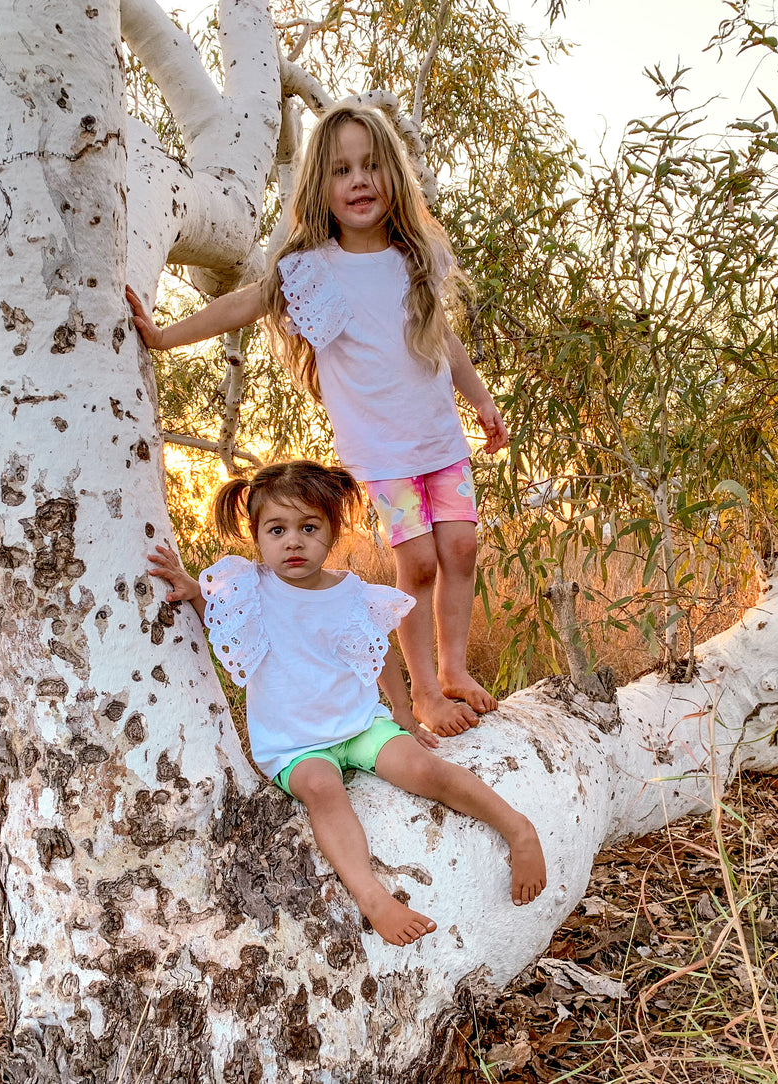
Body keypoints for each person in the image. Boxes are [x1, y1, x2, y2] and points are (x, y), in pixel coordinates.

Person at [128, 101, 507, 740]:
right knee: (415, 562)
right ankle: (422, 695)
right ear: (320, 189)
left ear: (392, 175)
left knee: (462, 550)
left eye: (369, 166)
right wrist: (165, 337)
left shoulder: (417, 261)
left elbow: (443, 342)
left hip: (441, 439)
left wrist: (482, 401)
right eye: (340, 170)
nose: (358, 181)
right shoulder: (311, 272)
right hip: (383, 452)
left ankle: (455, 670)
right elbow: (243, 304)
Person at [147, 460, 545, 946]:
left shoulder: (350, 593)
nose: (293, 541)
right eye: (277, 529)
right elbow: (223, 619)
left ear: (332, 533)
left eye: (308, 528)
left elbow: (379, 659)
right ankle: (372, 896)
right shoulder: (248, 587)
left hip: (359, 724)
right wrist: (192, 593)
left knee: (424, 769)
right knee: (321, 789)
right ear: (257, 537)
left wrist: (402, 714)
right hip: (293, 743)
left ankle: (517, 827)